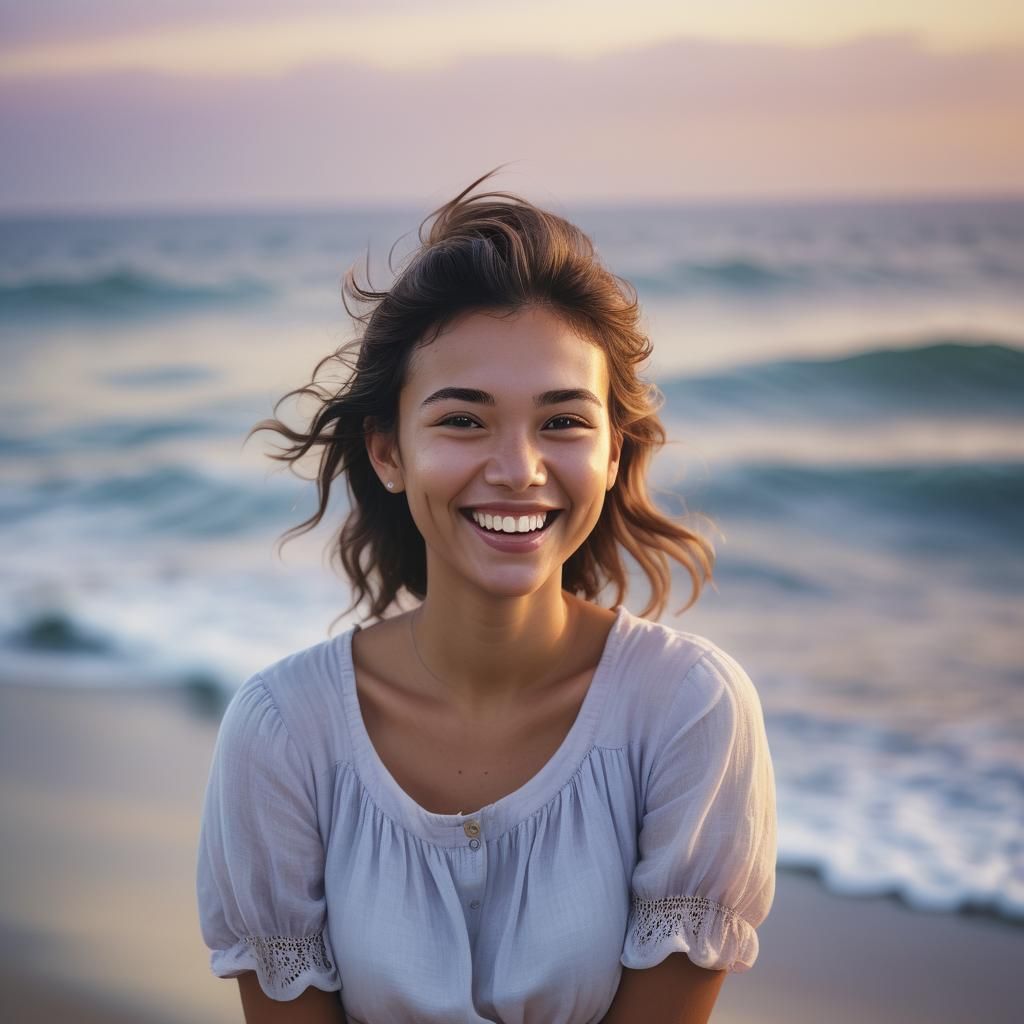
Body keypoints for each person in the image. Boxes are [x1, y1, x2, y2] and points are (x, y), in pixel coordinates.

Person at [196, 169, 777, 1024]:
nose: (519, 469)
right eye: (464, 419)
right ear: (389, 453)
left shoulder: (689, 711)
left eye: (563, 421)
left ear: (615, 454)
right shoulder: (282, 732)